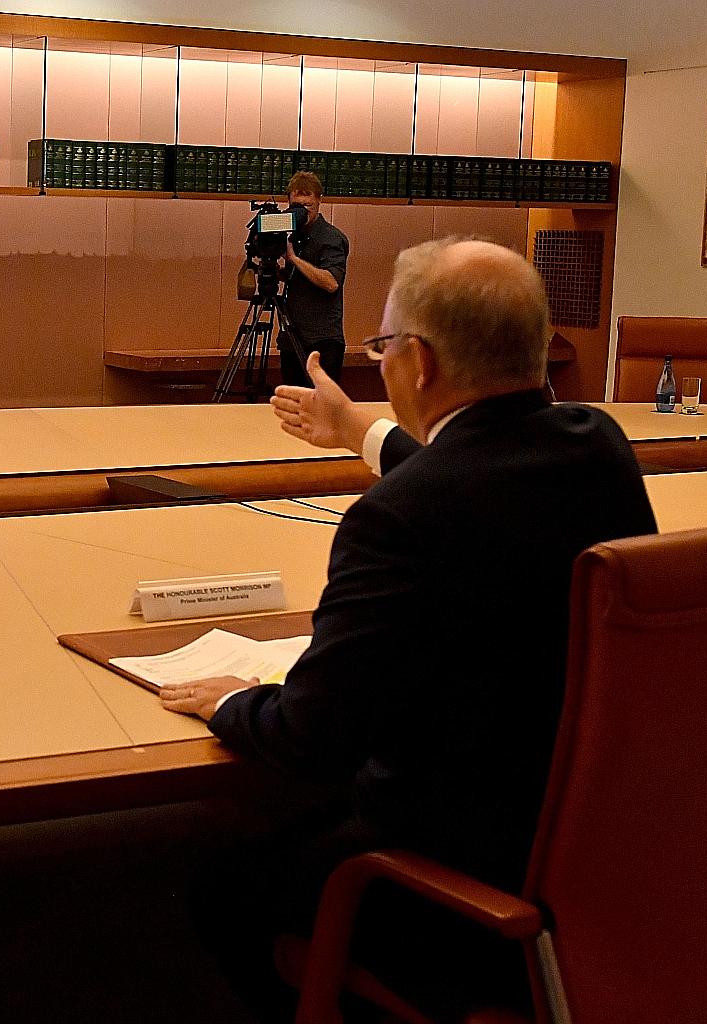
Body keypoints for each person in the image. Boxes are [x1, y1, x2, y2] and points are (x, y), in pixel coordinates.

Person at [159, 238, 657, 1021]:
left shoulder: (397, 520)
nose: (381, 361)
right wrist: (362, 430)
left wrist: (233, 702)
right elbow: (484, 470)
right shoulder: (599, 449)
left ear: (418, 364)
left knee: (218, 887)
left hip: (452, 868)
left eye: (383, 347)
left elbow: (310, 739)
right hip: (597, 849)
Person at [279, 170, 349, 388]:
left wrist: (293, 258)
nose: (302, 212)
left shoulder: (331, 238)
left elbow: (331, 283)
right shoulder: (292, 234)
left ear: (320, 201)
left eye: (308, 206)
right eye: (296, 206)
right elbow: (298, 279)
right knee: (294, 401)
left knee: (323, 405)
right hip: (293, 335)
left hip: (323, 338)